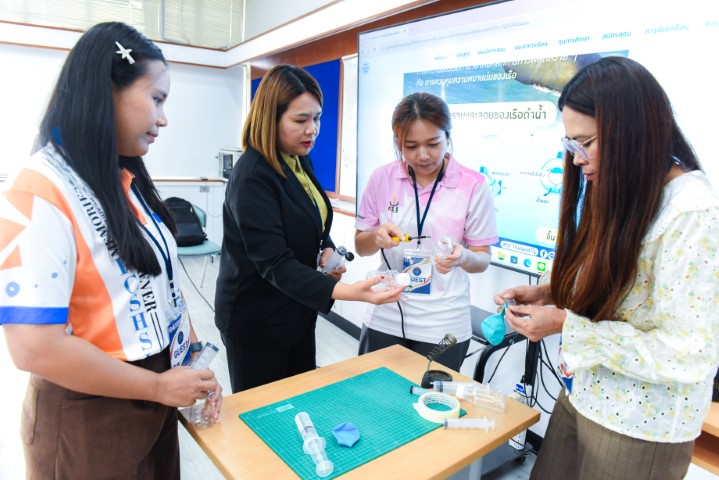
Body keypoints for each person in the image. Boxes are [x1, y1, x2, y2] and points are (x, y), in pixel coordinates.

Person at [0, 22, 222, 479]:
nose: (163, 118)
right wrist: (156, 387)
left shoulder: (125, 179)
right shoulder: (39, 188)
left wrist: (191, 361)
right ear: (107, 91)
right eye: (157, 98)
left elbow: (160, 286)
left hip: (154, 392)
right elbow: (34, 348)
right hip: (89, 411)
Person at [494, 56, 719, 479]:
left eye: (587, 143)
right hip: (584, 393)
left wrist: (566, 324)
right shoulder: (626, 187)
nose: (577, 159)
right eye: (571, 145)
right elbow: (619, 279)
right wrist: (550, 291)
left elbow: (689, 353)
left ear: (633, 130)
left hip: (639, 423)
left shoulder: (692, 213)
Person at [215, 64, 403, 393]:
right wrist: (351, 292)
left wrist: (326, 247)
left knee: (300, 402)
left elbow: (312, 218)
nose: (312, 130)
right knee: (264, 413)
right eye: (300, 120)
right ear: (270, 119)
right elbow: (275, 263)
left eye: (316, 118)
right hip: (257, 320)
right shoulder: (252, 176)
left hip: (296, 311)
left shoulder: (298, 158)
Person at [354, 92, 498, 371]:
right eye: (410, 146)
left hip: (444, 321)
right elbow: (361, 246)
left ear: (448, 136)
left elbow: (482, 259)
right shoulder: (381, 178)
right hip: (386, 311)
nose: (423, 155)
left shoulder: (472, 185)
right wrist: (376, 237)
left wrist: (463, 257)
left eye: (433, 144)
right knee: (374, 392)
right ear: (398, 143)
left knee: (431, 395)